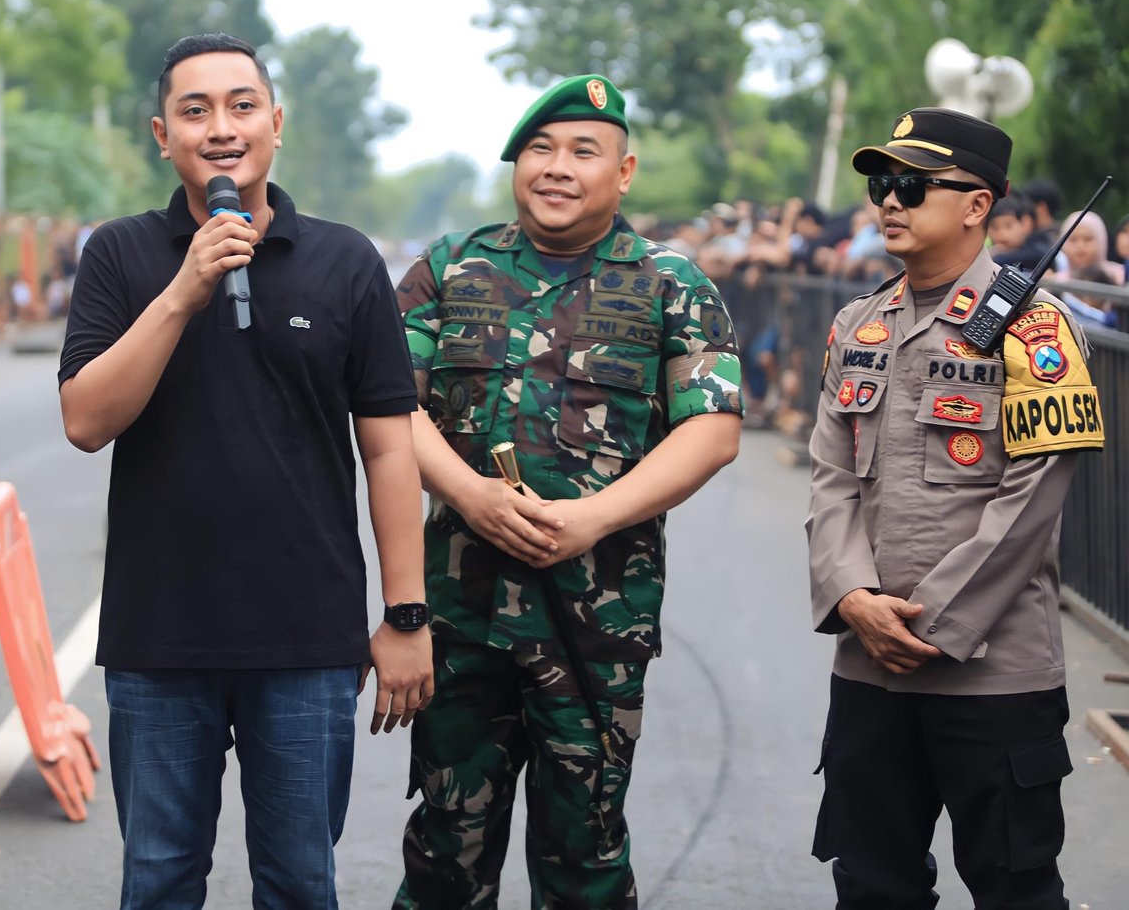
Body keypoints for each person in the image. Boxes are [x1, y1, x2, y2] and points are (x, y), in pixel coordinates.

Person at [57, 32, 432, 909]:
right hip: (160, 637)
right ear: (163, 136)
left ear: (276, 122)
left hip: (307, 640)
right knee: (158, 879)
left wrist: (406, 614)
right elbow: (85, 421)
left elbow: (389, 446)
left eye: (241, 106)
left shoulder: (346, 261)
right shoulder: (120, 255)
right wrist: (183, 292)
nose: (220, 128)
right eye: (194, 112)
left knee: (300, 882)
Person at [393, 75, 743, 909]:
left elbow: (713, 429)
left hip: (597, 624)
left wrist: (592, 518)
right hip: (462, 617)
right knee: (445, 852)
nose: (557, 167)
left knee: (584, 855)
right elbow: (389, 406)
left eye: (584, 151)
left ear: (623, 173)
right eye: (540, 149)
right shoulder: (450, 267)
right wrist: (469, 494)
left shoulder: (670, 283)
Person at [807, 106, 1104, 908]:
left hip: (994, 675)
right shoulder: (856, 324)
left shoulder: (1036, 328)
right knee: (871, 885)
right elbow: (830, 476)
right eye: (881, 183)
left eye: (912, 185)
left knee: (1015, 889)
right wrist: (852, 596)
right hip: (868, 667)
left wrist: (928, 625)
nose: (888, 201)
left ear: (978, 204)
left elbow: (1032, 500)